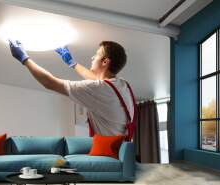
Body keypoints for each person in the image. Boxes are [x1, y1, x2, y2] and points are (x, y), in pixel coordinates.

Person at [8, 40, 136, 140]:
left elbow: (50, 82)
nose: (92, 57)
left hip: (109, 158)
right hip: (121, 151)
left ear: (105, 62)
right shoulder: (122, 85)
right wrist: (71, 62)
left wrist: (24, 59)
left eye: (96, 55)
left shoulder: (98, 89)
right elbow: (98, 82)